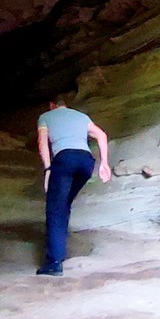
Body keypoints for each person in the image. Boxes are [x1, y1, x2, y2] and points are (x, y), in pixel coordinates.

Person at [35, 99, 111, 275]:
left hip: (65, 159)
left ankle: (54, 262)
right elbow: (101, 135)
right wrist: (104, 163)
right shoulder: (81, 116)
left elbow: (42, 143)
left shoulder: (45, 117)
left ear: (51, 104)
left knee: (55, 208)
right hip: (86, 162)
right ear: (65, 105)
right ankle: (60, 248)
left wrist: (48, 169)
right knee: (64, 203)